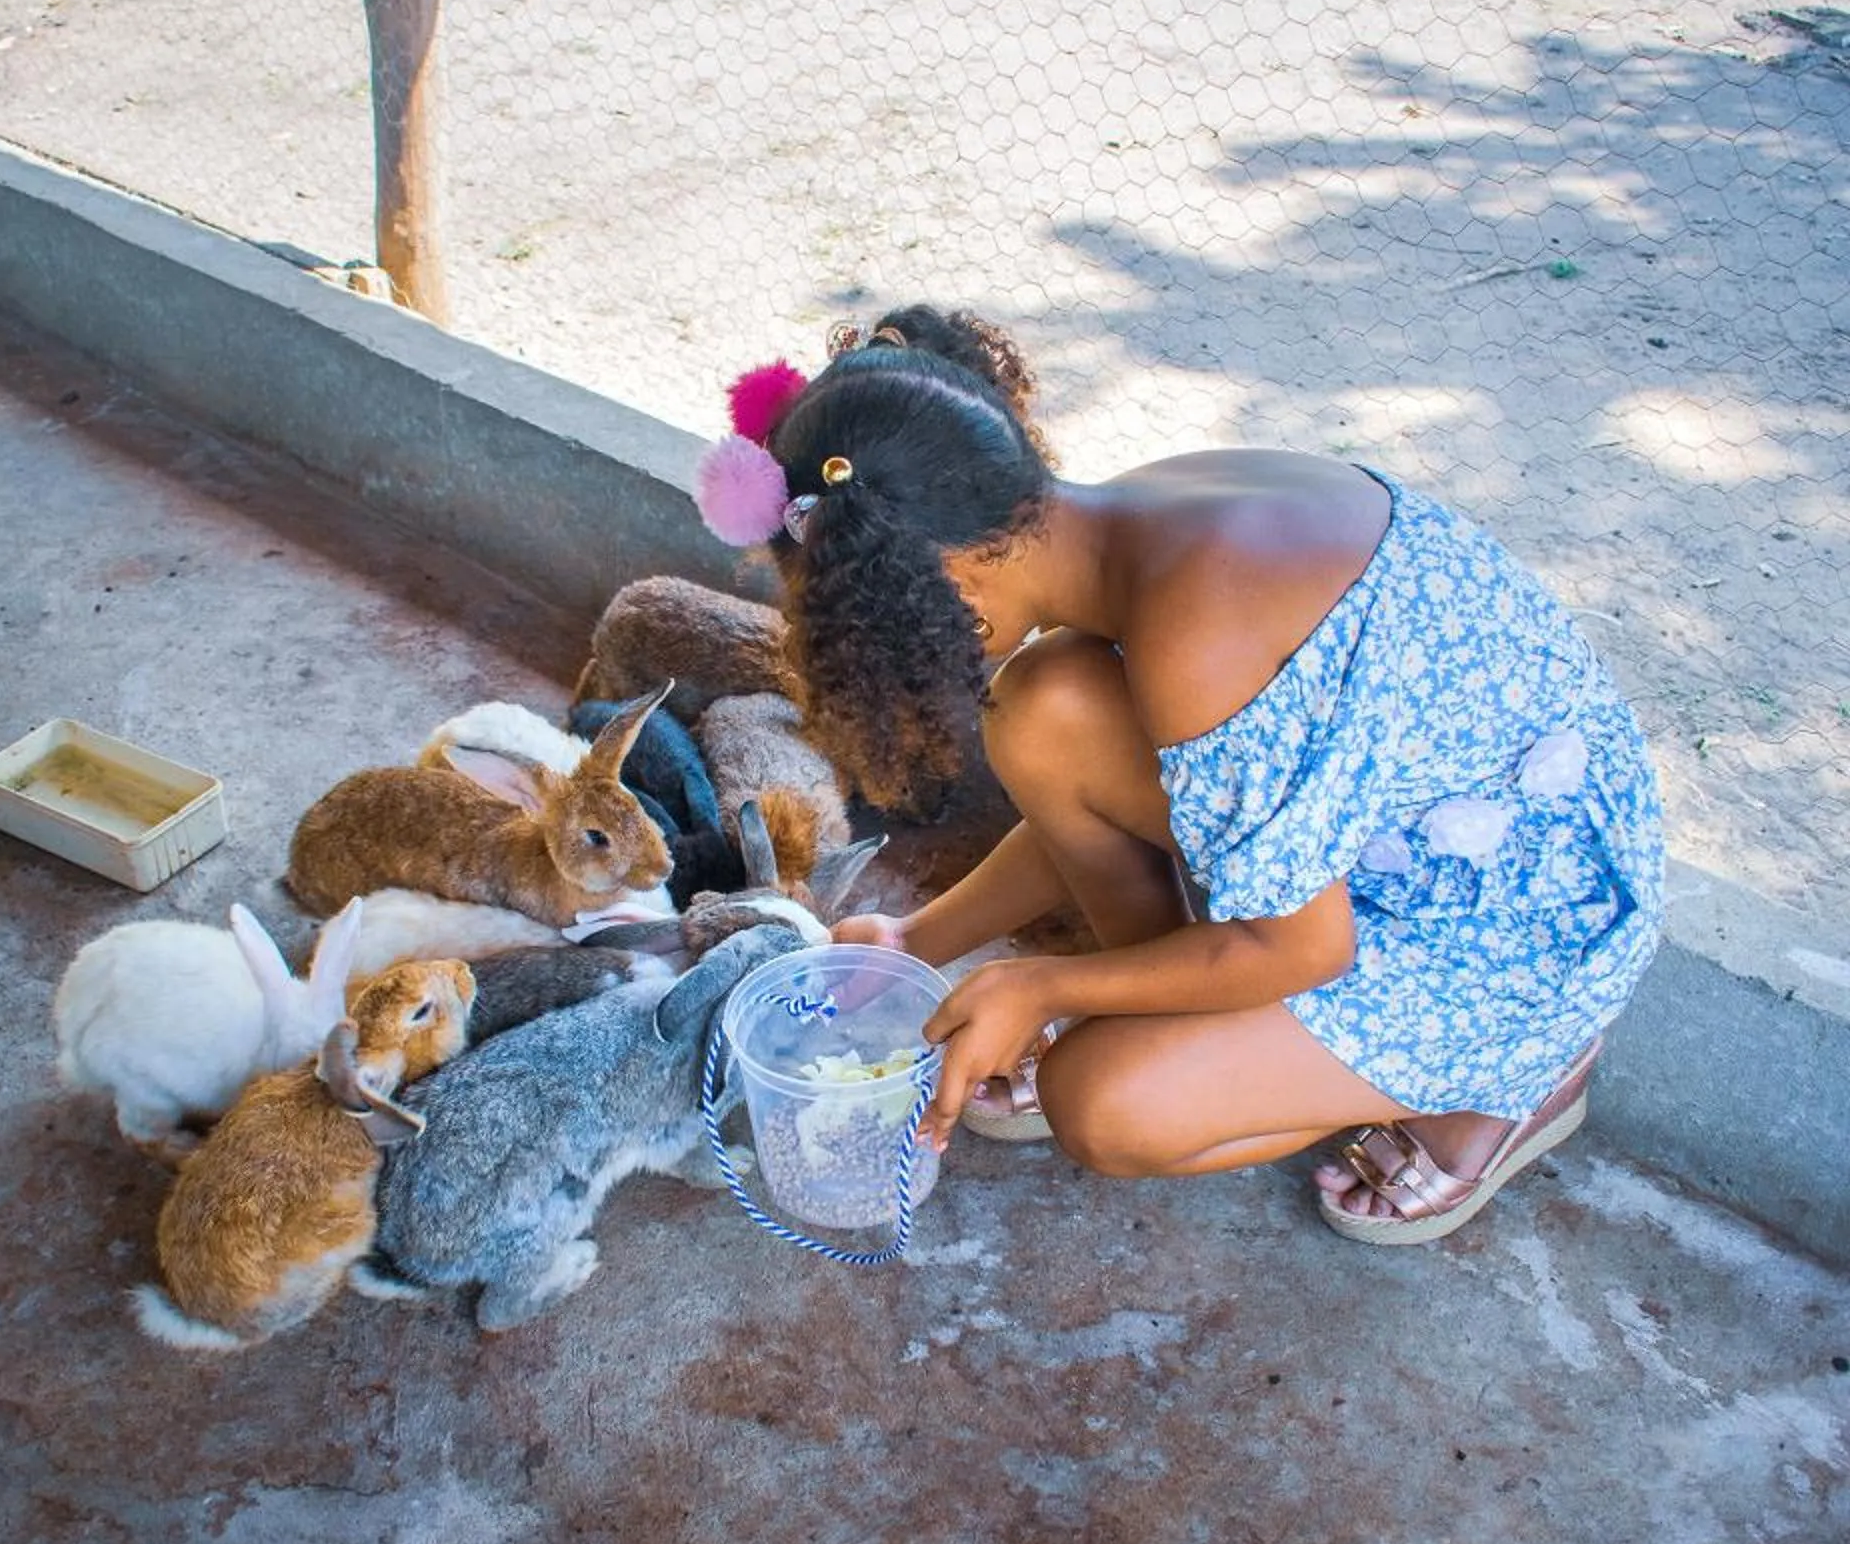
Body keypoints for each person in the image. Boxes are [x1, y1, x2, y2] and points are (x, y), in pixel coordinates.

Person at [690, 306, 1665, 1246]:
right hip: (1401, 834)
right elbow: (1097, 788)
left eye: (895, 625)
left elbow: (1306, 949)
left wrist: (1035, 986)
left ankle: (1509, 1082)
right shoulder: (1117, 527)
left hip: (1521, 922)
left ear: (954, 585)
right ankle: (1169, 1010)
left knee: (1104, 1103)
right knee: (1042, 711)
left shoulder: (1198, 632)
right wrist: (913, 941)